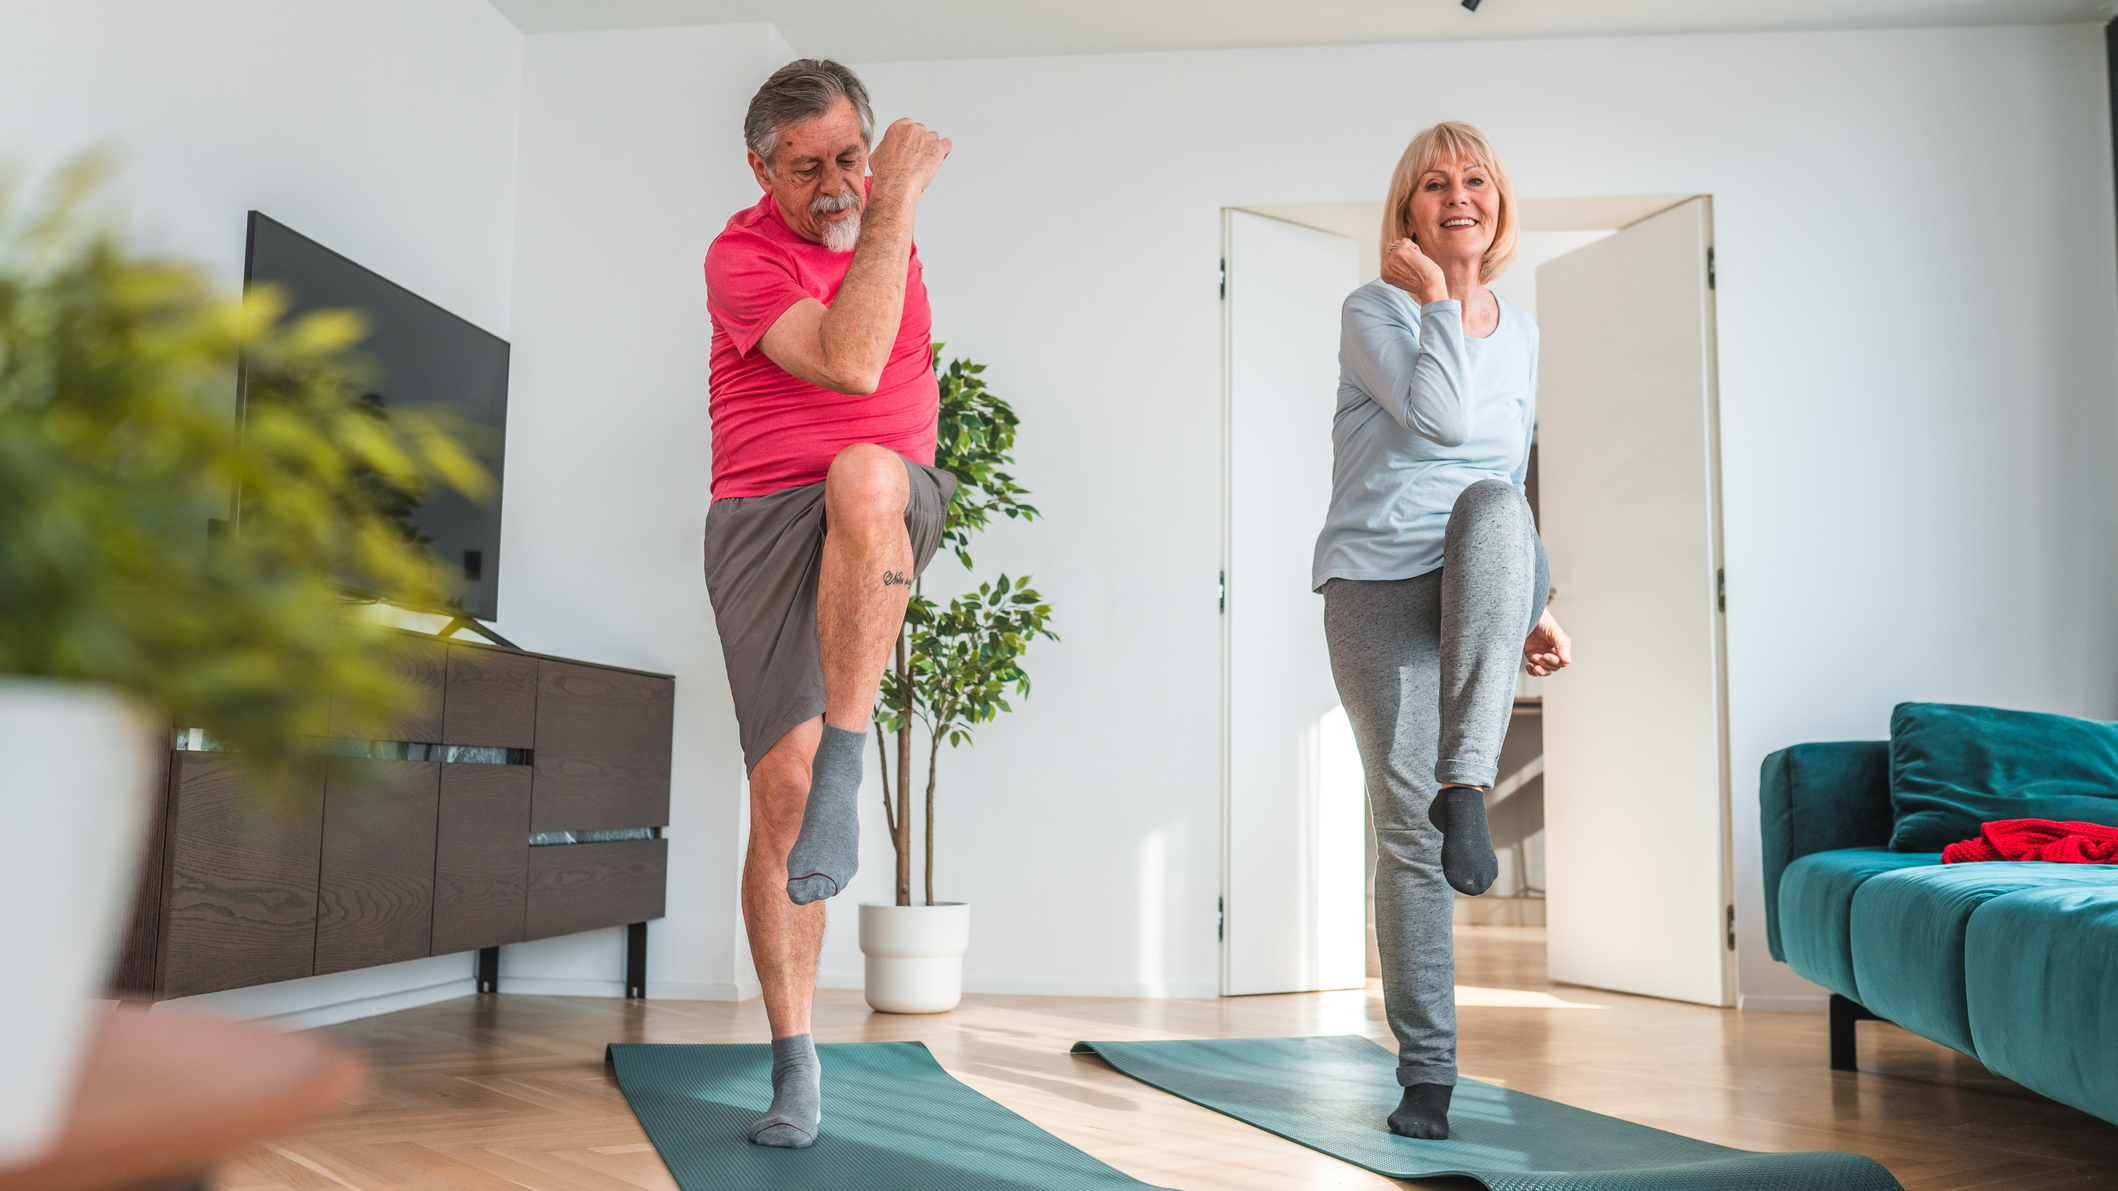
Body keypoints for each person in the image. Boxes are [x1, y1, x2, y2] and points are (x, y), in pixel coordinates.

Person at [701, 58, 952, 1150]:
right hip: (758, 514)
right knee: (779, 790)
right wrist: (897, 193)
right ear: (762, 167)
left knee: (866, 472)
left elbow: (870, 416)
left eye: (854, 157)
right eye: (808, 170)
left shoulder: (881, 232)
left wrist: (884, 207)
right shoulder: (740, 254)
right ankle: (795, 1061)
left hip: (883, 498)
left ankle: (850, 763)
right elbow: (849, 360)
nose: (841, 185)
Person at [1312, 121, 1573, 1141]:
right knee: (1403, 832)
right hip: (1376, 583)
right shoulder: (1373, 308)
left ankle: (1469, 781)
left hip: (1478, 561)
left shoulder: (1526, 328)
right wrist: (1434, 304)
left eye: (1474, 181)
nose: (1457, 196)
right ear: (1408, 214)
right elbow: (1445, 423)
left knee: (1500, 511)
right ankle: (1428, 1073)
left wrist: (1533, 600)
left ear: (1498, 203)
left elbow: (1501, 478)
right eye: (1434, 185)